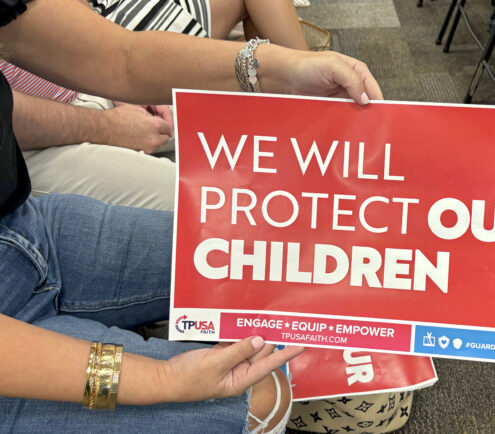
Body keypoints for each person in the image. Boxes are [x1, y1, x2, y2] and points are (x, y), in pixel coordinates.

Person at [0, 0, 381, 432]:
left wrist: (283, 66)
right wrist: (159, 378)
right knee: (257, 399)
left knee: (264, 253)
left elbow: (120, 56)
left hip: (24, 230)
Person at [3, 0, 309, 210]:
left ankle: (318, 116)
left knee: (268, 135)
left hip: (76, 76)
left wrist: (110, 79)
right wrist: (107, 127)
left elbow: (120, 56)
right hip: (22, 142)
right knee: (225, 205)